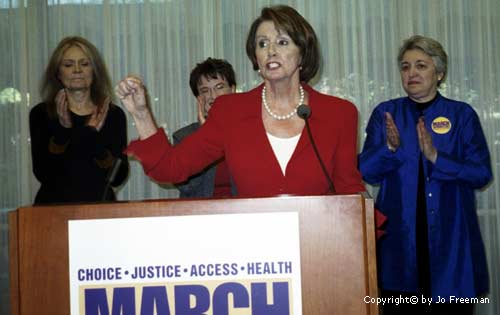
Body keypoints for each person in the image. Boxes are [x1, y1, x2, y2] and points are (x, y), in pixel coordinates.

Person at [116, 5, 364, 197]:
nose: (271, 51)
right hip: (253, 252)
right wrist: (141, 113)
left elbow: (349, 191)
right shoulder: (230, 112)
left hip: (321, 248)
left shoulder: (340, 114)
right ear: (255, 58)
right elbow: (170, 168)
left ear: (302, 53)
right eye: (262, 44)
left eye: (283, 42)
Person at [359, 35, 492, 314]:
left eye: (421, 65)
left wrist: (436, 158)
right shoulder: (386, 113)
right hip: (399, 246)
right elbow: (366, 172)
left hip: (451, 247)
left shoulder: (462, 115)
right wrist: (389, 148)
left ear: (439, 73)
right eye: (405, 67)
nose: (411, 73)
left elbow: (481, 174)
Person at [30, 36, 129, 204]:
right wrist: (62, 132)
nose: (77, 70)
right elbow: (43, 174)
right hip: (52, 212)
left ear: (94, 71)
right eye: (68, 65)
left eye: (84, 64)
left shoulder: (113, 114)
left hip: (101, 209)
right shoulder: (42, 113)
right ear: (58, 74)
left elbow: (118, 177)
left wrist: (92, 136)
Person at [173, 58, 236, 198]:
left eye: (219, 87)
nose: (213, 96)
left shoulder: (250, 131)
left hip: (246, 213)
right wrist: (204, 137)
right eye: (205, 90)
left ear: (233, 90)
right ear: (198, 98)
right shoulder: (183, 137)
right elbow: (187, 187)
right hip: (200, 214)